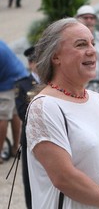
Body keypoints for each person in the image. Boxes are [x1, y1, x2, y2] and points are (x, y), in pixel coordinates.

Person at [25, 18, 99, 208]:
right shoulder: (45, 107)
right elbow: (64, 178)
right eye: (81, 44)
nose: (92, 50)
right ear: (55, 57)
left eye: (92, 43)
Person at [14, 46, 39, 209]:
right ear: (30, 64)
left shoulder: (55, 83)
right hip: (30, 137)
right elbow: (23, 112)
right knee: (30, 180)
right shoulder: (22, 84)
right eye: (37, 61)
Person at [0, 40, 28, 164]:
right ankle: (15, 148)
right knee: (14, 113)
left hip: (8, 82)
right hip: (20, 76)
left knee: (2, 117)